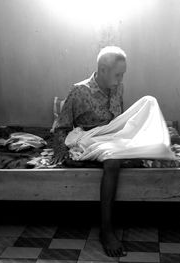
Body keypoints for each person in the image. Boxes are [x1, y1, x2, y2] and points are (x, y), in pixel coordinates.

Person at [53, 46, 127, 257]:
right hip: (89, 139)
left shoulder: (118, 88)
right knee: (113, 162)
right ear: (103, 69)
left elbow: (119, 119)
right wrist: (59, 149)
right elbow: (61, 127)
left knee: (149, 107)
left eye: (123, 75)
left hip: (112, 136)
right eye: (118, 74)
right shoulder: (79, 91)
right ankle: (106, 230)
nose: (121, 80)